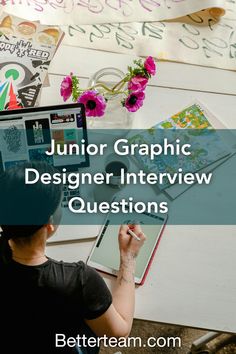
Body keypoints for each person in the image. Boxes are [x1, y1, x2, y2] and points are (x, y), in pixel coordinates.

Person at [0, 161, 146, 354]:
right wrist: (128, 258)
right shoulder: (78, 280)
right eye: (59, 204)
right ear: (49, 224)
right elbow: (118, 334)